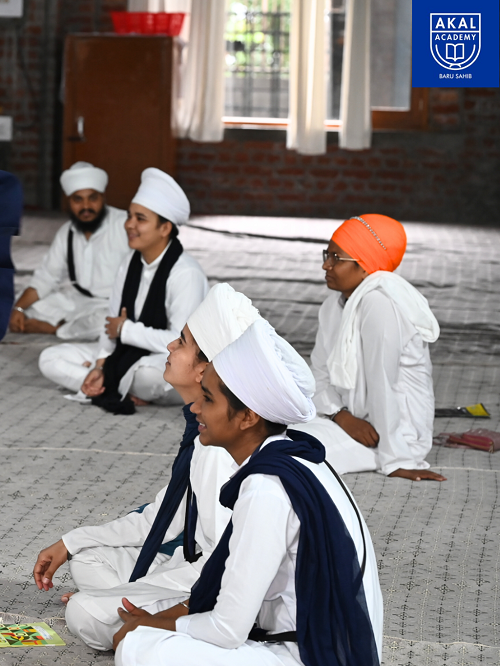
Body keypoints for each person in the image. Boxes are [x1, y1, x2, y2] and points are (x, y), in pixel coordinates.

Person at [113, 319, 383, 666]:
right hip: (326, 643)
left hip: (310, 655)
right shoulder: (295, 455)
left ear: (247, 418)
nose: (195, 408)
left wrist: (150, 627)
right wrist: (156, 622)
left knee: (138, 650)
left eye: (207, 399)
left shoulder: (265, 488)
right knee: (140, 631)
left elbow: (227, 628)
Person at [32, 284, 260, 651]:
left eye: (182, 342)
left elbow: (226, 564)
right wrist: (71, 542)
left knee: (83, 612)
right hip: (185, 564)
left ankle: (153, 627)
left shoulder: (220, 447)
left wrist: (159, 604)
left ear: (206, 368)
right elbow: (161, 517)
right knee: (88, 561)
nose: (170, 346)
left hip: (208, 578)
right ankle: (135, 613)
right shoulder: (203, 428)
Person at [39, 168, 208, 412]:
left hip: (170, 360)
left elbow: (180, 344)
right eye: (129, 216)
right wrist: (99, 364)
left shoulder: (185, 273)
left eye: (140, 219)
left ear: (165, 228)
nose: (129, 224)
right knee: (50, 359)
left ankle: (111, 381)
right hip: (127, 353)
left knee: (149, 376)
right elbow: (111, 323)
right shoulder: (129, 262)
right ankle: (109, 381)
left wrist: (126, 330)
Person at [294, 214, 446, 481]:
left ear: (365, 266)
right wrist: (342, 417)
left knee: (286, 453)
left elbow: (384, 383)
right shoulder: (332, 306)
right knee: (265, 432)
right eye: (326, 255)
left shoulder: (380, 305)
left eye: (336, 259)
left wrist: (396, 460)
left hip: (390, 436)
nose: (326, 266)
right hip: (346, 421)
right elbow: (318, 373)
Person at [9, 161, 129, 340]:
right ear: (69, 201)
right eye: (78, 199)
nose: (86, 207)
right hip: (78, 300)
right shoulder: (67, 232)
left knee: (107, 323)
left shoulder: (124, 224)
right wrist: (17, 309)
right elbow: (46, 278)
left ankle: (54, 329)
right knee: (26, 305)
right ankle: (69, 326)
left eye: (93, 198)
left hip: (114, 305)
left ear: (103, 197)